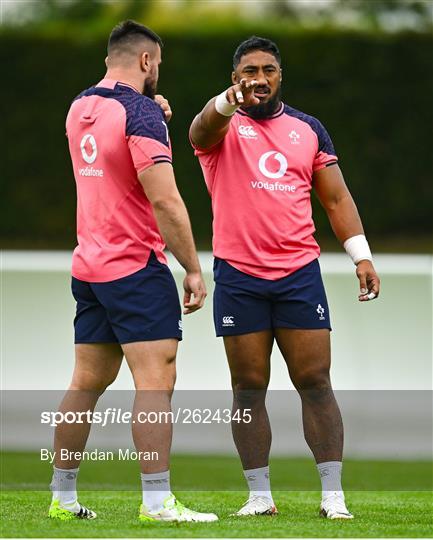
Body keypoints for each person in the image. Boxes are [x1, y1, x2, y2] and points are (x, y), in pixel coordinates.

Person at [190, 36, 380, 519]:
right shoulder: (222, 126)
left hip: (299, 275)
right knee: (249, 386)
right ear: (235, 78)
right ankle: (258, 496)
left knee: (315, 381)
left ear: (280, 75)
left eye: (268, 69)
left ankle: (333, 497)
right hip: (239, 275)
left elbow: (336, 200)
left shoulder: (309, 129)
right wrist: (224, 103)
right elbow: (198, 130)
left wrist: (361, 256)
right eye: (249, 70)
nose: (259, 77)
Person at [48, 20, 217, 523]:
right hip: (134, 268)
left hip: (90, 266)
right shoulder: (141, 111)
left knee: (84, 384)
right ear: (147, 61)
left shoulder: (80, 106)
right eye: (157, 64)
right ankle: (158, 502)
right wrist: (191, 267)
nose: (158, 72)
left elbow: (111, 150)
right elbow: (164, 198)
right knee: (155, 382)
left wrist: (152, 110)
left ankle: (62, 499)